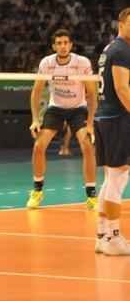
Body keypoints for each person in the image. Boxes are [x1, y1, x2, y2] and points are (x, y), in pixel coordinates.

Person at [27, 29, 97, 210]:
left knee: (88, 146)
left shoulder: (82, 63)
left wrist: (90, 123)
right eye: (59, 43)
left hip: (78, 109)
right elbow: (36, 92)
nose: (63, 46)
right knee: (38, 146)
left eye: (66, 42)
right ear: (53, 46)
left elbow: (92, 94)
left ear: (71, 45)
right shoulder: (46, 63)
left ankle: (91, 194)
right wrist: (35, 119)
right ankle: (37, 191)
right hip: (56, 108)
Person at [94, 8, 130, 256]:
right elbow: (121, 88)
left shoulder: (111, 49)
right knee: (118, 177)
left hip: (105, 116)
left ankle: (101, 234)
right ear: (121, 23)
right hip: (117, 118)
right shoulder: (121, 50)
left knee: (112, 177)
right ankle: (114, 237)